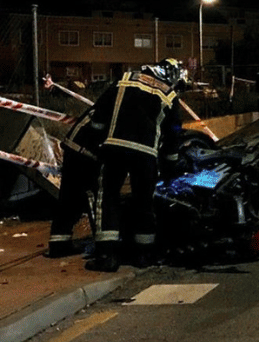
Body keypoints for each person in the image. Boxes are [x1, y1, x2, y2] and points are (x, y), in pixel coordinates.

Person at [86, 58, 187, 272]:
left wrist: (96, 139)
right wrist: (171, 165)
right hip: (146, 155)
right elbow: (173, 134)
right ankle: (144, 255)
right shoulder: (169, 94)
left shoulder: (124, 80)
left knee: (108, 197)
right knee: (144, 201)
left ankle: (107, 256)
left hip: (115, 148)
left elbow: (99, 113)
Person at [46, 107, 106, 258]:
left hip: (74, 147)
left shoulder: (115, 94)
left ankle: (58, 244)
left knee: (69, 197)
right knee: (95, 198)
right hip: (86, 153)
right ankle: (104, 246)